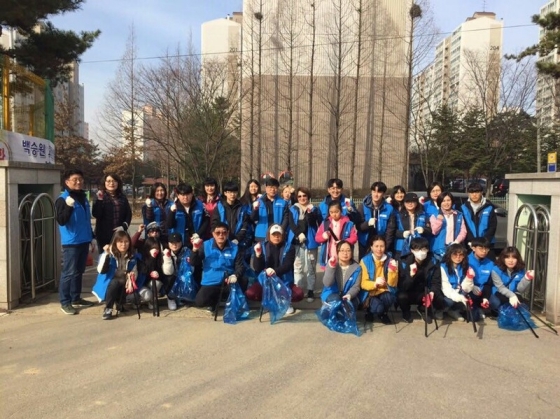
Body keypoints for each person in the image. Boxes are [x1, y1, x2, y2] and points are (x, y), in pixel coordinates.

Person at [55, 169, 96, 315]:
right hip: (71, 243)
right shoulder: (62, 199)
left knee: (79, 272)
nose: (78, 182)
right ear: (67, 182)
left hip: (84, 240)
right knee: (69, 273)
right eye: (75, 179)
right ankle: (65, 302)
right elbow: (61, 220)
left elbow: (86, 220)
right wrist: (68, 206)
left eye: (80, 179)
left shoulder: (83, 198)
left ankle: (76, 298)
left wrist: (92, 238)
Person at [247, 224, 303, 314]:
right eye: (274, 234)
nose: (276, 236)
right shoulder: (262, 246)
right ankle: (268, 301)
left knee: (299, 294)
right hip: (266, 280)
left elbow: (287, 265)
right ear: (269, 235)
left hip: (284, 281)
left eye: (279, 234)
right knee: (251, 293)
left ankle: (285, 302)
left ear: (282, 235)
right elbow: (257, 268)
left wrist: (275, 271)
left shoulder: (290, 247)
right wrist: (258, 255)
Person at [190, 222, 246, 310]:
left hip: (228, 281)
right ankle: (214, 301)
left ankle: (231, 300)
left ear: (228, 233)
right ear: (213, 234)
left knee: (244, 280)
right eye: (218, 233)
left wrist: (235, 275)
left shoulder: (235, 247)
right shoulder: (205, 245)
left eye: (224, 232)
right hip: (211, 282)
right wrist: (195, 249)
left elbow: (240, 266)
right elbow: (193, 262)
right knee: (200, 302)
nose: (221, 235)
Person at [397, 237, 443, 323]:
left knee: (438, 296)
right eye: (417, 249)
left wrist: (432, 292)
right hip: (408, 292)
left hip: (425, 292)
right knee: (401, 296)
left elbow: (436, 282)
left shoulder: (434, 262)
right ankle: (406, 311)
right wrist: (410, 276)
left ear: (427, 250)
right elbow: (402, 286)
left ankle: (423, 309)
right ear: (411, 250)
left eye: (423, 249)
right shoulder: (403, 262)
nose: (420, 252)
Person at [93, 230, 137, 320]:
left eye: (126, 241)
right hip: (108, 283)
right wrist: (106, 255)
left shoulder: (132, 256)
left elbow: (135, 272)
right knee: (115, 282)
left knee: (126, 281)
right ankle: (108, 308)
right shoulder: (109, 254)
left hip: (124, 282)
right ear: (115, 242)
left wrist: (131, 275)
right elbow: (101, 270)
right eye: (120, 242)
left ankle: (120, 304)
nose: (124, 245)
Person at [288, 186, 322, 302]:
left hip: (311, 242)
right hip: (297, 242)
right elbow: (291, 224)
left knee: (311, 267)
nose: (302, 198)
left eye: (304, 195)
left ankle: (311, 290)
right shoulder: (293, 209)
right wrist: (298, 234)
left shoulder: (315, 209)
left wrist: (310, 213)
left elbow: (318, 223)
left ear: (308, 196)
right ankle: (298, 290)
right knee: (298, 267)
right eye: (299, 196)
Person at [359, 236, 399, 324]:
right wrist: (375, 283)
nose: (379, 249)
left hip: (384, 290)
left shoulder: (390, 260)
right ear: (371, 247)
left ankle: (383, 314)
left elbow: (393, 284)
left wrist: (392, 272)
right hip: (370, 293)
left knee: (389, 298)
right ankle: (369, 311)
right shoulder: (365, 261)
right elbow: (363, 284)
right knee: (378, 307)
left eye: (382, 246)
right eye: (376, 246)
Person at [92, 173, 132, 250]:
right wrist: (100, 200)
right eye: (108, 181)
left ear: (118, 183)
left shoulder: (122, 197)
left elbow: (128, 214)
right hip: (103, 235)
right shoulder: (99, 196)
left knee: (119, 258)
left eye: (114, 181)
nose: (111, 183)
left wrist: (124, 226)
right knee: (106, 259)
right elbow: (96, 214)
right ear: (104, 183)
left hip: (119, 234)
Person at [357, 181, 396, 260]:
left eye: (379, 192)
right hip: (365, 243)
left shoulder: (389, 208)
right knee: (365, 268)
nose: (376, 194)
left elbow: (390, 230)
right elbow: (359, 226)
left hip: (381, 244)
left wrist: (385, 246)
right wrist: (368, 223)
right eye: (374, 191)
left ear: (383, 194)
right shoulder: (362, 206)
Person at [490, 247, 534, 315]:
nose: (511, 260)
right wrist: (512, 296)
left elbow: (520, 289)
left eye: (514, 258)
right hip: (498, 293)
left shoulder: (521, 270)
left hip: (513, 293)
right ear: (503, 258)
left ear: (518, 259)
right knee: (497, 304)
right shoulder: (495, 270)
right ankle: (495, 311)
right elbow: (500, 288)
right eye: (507, 257)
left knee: (523, 308)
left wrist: (527, 278)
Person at [135, 237, 174, 310]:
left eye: (157, 248)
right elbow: (143, 270)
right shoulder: (140, 257)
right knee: (147, 295)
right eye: (153, 248)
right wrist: (151, 261)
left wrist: (166, 258)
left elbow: (164, 274)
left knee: (157, 283)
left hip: (152, 284)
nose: (156, 250)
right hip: (141, 285)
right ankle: (139, 300)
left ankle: (152, 301)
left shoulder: (159, 258)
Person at [315, 200, 358, 268]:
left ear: (341, 211)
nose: (334, 214)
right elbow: (317, 238)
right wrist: (323, 236)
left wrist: (344, 242)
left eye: (336, 212)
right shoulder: (325, 223)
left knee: (342, 277)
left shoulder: (348, 223)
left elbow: (354, 238)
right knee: (330, 277)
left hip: (343, 257)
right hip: (329, 257)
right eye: (331, 212)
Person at [461, 237, 495, 321]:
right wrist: (472, 287)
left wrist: (485, 297)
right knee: (473, 318)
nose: (484, 251)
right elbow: (461, 279)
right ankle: (464, 309)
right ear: (473, 248)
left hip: (482, 291)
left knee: (495, 302)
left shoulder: (490, 263)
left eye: (486, 249)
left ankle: (480, 307)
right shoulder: (465, 261)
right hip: (468, 291)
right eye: (480, 248)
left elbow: (489, 283)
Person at [166, 183, 209, 248]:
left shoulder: (200, 205)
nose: (185, 197)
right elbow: (169, 225)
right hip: (179, 242)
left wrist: (199, 234)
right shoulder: (172, 207)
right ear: (178, 195)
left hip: (197, 240)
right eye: (183, 195)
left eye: (188, 194)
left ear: (192, 194)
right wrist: (172, 212)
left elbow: (206, 221)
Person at [211, 182, 252, 249]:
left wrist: (237, 239)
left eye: (235, 192)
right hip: (222, 240)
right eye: (230, 192)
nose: (232, 194)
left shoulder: (242, 207)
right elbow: (214, 224)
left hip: (239, 242)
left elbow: (245, 225)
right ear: (225, 193)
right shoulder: (219, 207)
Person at [461, 182, 497, 257]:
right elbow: (463, 226)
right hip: (470, 246)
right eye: (472, 192)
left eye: (477, 192)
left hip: (486, 245)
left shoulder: (489, 207)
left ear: (481, 193)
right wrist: (473, 243)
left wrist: (484, 242)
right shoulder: (463, 208)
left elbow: (492, 226)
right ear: (468, 194)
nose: (474, 195)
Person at [321, 241, 362, 306]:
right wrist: (331, 267)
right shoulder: (332, 264)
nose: (345, 253)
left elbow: (356, 286)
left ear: (352, 252)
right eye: (342, 250)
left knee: (351, 304)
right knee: (336, 300)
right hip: (331, 293)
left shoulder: (357, 268)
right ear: (337, 252)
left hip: (347, 294)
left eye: (348, 250)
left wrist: (350, 295)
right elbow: (327, 283)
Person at [437, 244, 470, 321]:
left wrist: (470, 279)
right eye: (455, 254)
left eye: (461, 255)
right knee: (449, 301)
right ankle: (440, 310)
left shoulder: (465, 266)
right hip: (446, 293)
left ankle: (454, 311)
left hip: (459, 291)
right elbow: (446, 288)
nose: (458, 257)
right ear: (449, 254)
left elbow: (466, 285)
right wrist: (459, 297)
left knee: (468, 296)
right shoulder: (443, 267)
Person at [250, 177, 290, 242]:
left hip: (277, 235)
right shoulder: (258, 202)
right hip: (261, 235)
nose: (273, 190)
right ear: (266, 188)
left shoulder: (283, 202)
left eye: (275, 187)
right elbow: (253, 218)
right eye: (270, 187)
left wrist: (281, 229)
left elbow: (286, 218)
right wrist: (255, 210)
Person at [429, 191, 467, 258]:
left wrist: (456, 242)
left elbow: (463, 231)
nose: (446, 203)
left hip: (454, 248)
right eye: (443, 201)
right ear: (440, 202)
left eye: (448, 200)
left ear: (452, 201)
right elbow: (434, 231)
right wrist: (439, 220)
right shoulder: (434, 215)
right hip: (439, 250)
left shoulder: (459, 215)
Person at [394, 193, 431, 260]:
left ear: (417, 203)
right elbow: (392, 231)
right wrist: (401, 234)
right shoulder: (398, 216)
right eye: (407, 202)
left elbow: (429, 230)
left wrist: (423, 230)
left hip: (419, 248)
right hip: (401, 248)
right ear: (404, 203)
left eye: (413, 201)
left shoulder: (423, 215)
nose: (410, 204)